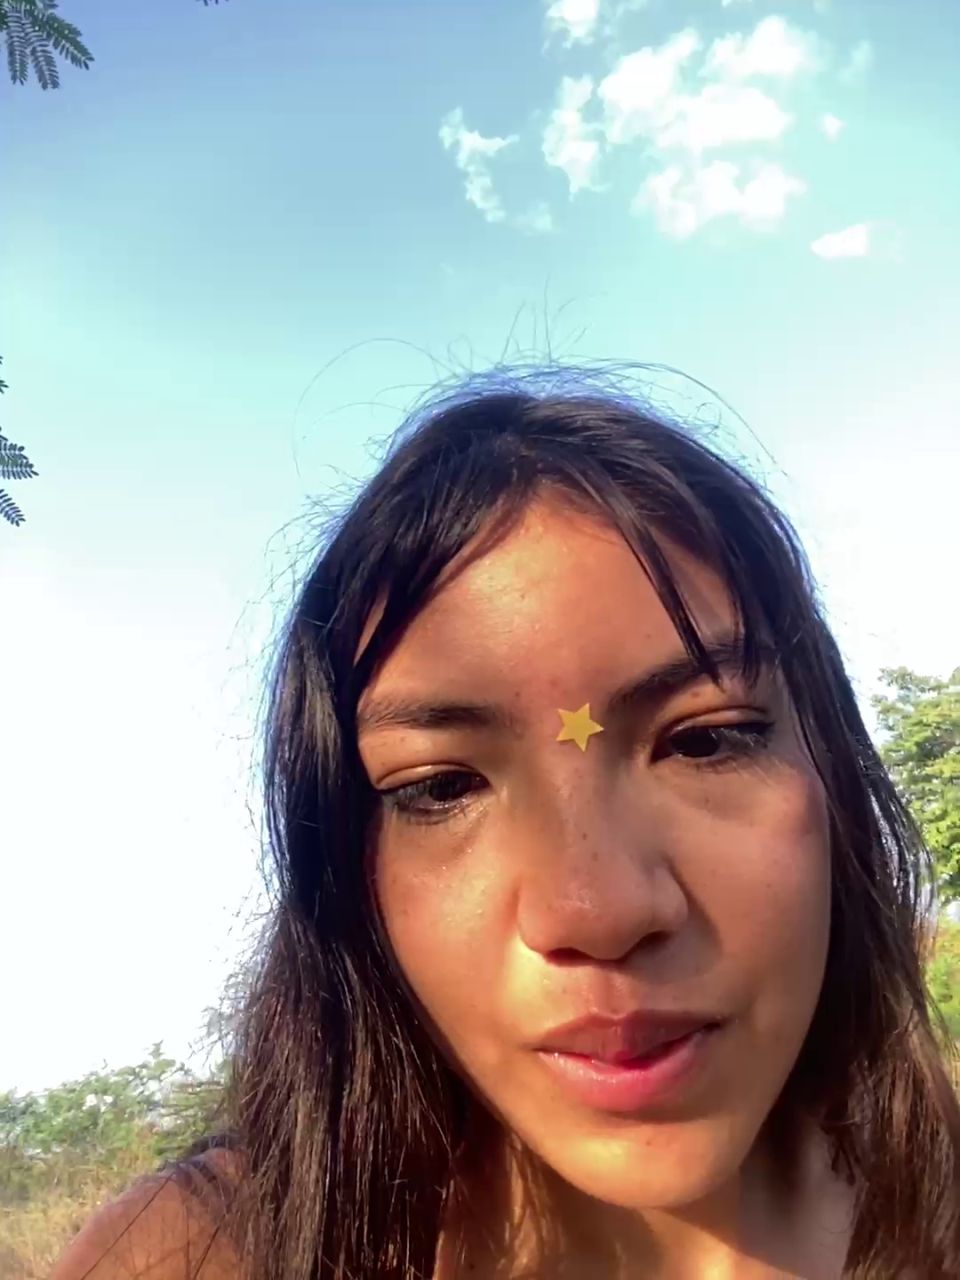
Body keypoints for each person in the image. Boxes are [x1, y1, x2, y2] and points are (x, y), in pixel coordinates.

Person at [53, 370, 960, 1279]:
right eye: (441, 786)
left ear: (834, 774)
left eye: (705, 740)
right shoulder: (186, 1257)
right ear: (345, 873)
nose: (599, 913)